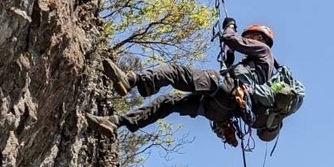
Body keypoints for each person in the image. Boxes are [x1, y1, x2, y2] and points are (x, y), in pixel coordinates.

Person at [87, 18, 278, 138]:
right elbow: (238, 70)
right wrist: (228, 60)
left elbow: (231, 39)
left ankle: (131, 80)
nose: (249, 39)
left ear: (261, 39)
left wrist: (230, 26)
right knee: (169, 102)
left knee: (176, 73)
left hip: (225, 89)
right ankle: (115, 122)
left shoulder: (264, 50)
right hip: (221, 111)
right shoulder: (262, 67)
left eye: (252, 36)